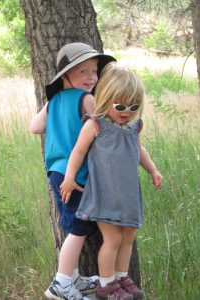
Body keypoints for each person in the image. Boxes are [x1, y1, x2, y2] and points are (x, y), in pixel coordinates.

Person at [60, 62, 163, 300]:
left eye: (133, 106)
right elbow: (77, 152)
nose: (127, 110)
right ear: (107, 98)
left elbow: (139, 151)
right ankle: (106, 284)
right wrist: (69, 177)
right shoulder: (96, 124)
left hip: (127, 194)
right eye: (121, 105)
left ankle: (121, 277)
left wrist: (153, 170)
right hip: (104, 194)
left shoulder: (133, 126)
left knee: (128, 236)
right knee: (113, 238)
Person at [30, 42, 116, 300]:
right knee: (79, 227)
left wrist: (55, 115)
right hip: (76, 175)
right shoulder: (86, 99)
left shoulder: (53, 101)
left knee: (74, 224)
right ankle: (62, 283)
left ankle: (73, 276)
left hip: (56, 173)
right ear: (65, 75)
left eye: (94, 71)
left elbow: (35, 127)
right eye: (83, 72)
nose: (91, 77)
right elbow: (103, 133)